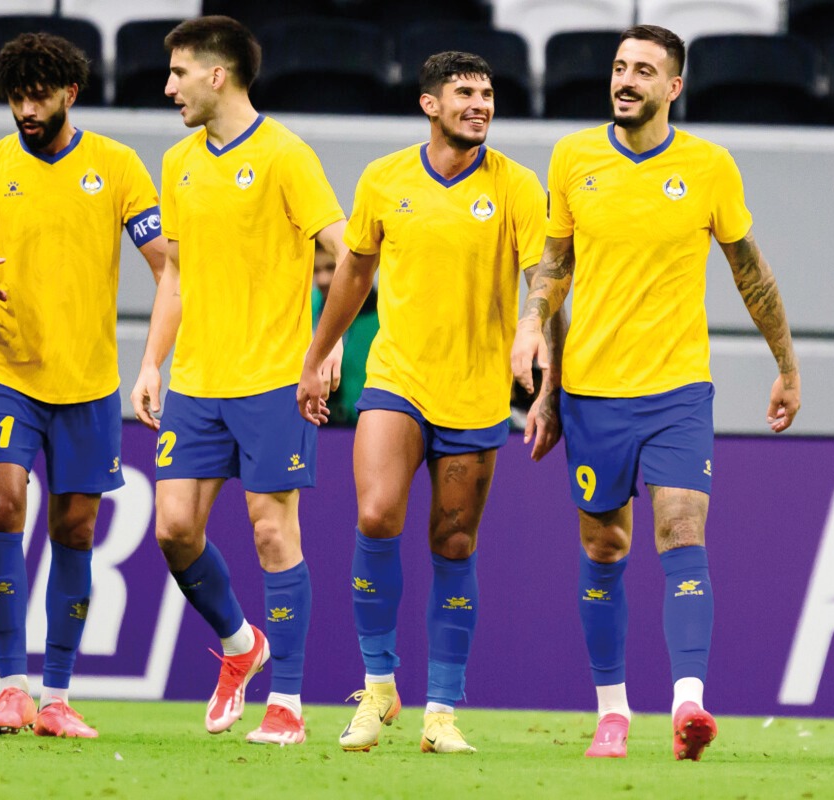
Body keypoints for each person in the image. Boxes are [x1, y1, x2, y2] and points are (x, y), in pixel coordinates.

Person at [510, 25, 802, 761]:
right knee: (605, 543)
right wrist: (540, 366)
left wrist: (788, 366)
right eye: (618, 67)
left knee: (680, 530)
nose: (625, 80)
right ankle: (613, 711)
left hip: (677, 388)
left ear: (674, 87)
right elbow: (553, 264)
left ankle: (688, 705)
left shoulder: (708, 165)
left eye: (644, 70)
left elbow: (751, 272)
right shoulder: (574, 157)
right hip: (593, 390)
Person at [297, 51, 563, 754]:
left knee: (453, 542)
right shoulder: (384, 179)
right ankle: (377, 688)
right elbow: (354, 273)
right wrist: (320, 353)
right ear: (429, 105)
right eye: (464, 93)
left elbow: (542, 274)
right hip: (397, 376)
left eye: (487, 93)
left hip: (475, 390)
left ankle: (441, 711)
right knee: (377, 514)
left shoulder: (514, 185)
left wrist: (534, 334)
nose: (480, 104)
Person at [0, 32, 167, 738]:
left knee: (75, 528)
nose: (26, 108)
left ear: (71, 93)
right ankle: (10, 687)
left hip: (89, 382)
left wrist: (160, 355)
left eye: (38, 95)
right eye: (15, 96)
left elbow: (167, 266)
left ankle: (57, 698)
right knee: (3, 506)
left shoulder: (117, 167)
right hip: (8, 373)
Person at [130, 15, 346, 746]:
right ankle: (237, 644)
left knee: (270, 530)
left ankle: (286, 699)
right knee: (173, 531)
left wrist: (328, 345)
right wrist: (152, 362)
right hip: (195, 378)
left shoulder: (287, 154)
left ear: (217, 75)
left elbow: (347, 254)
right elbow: (177, 276)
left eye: (179, 73)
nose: (169, 88)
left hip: (271, 380)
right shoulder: (179, 161)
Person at [311, 239, 378, 425]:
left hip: (365, 425)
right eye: (315, 270)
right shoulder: (307, 308)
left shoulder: (384, 316)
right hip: (318, 426)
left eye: (330, 268)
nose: (322, 279)